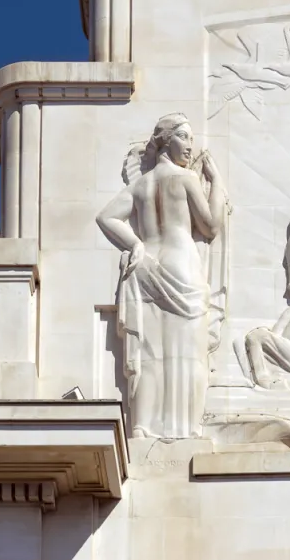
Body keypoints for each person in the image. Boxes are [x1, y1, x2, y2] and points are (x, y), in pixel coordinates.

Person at [97, 113, 226, 439]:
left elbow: (107, 217)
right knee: (188, 354)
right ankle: (184, 427)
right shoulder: (186, 179)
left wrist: (136, 244)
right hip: (182, 266)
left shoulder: (140, 184)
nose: (190, 147)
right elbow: (210, 225)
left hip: (147, 268)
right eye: (184, 137)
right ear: (165, 140)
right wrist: (217, 182)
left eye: (192, 140)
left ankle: (143, 426)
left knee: (150, 353)